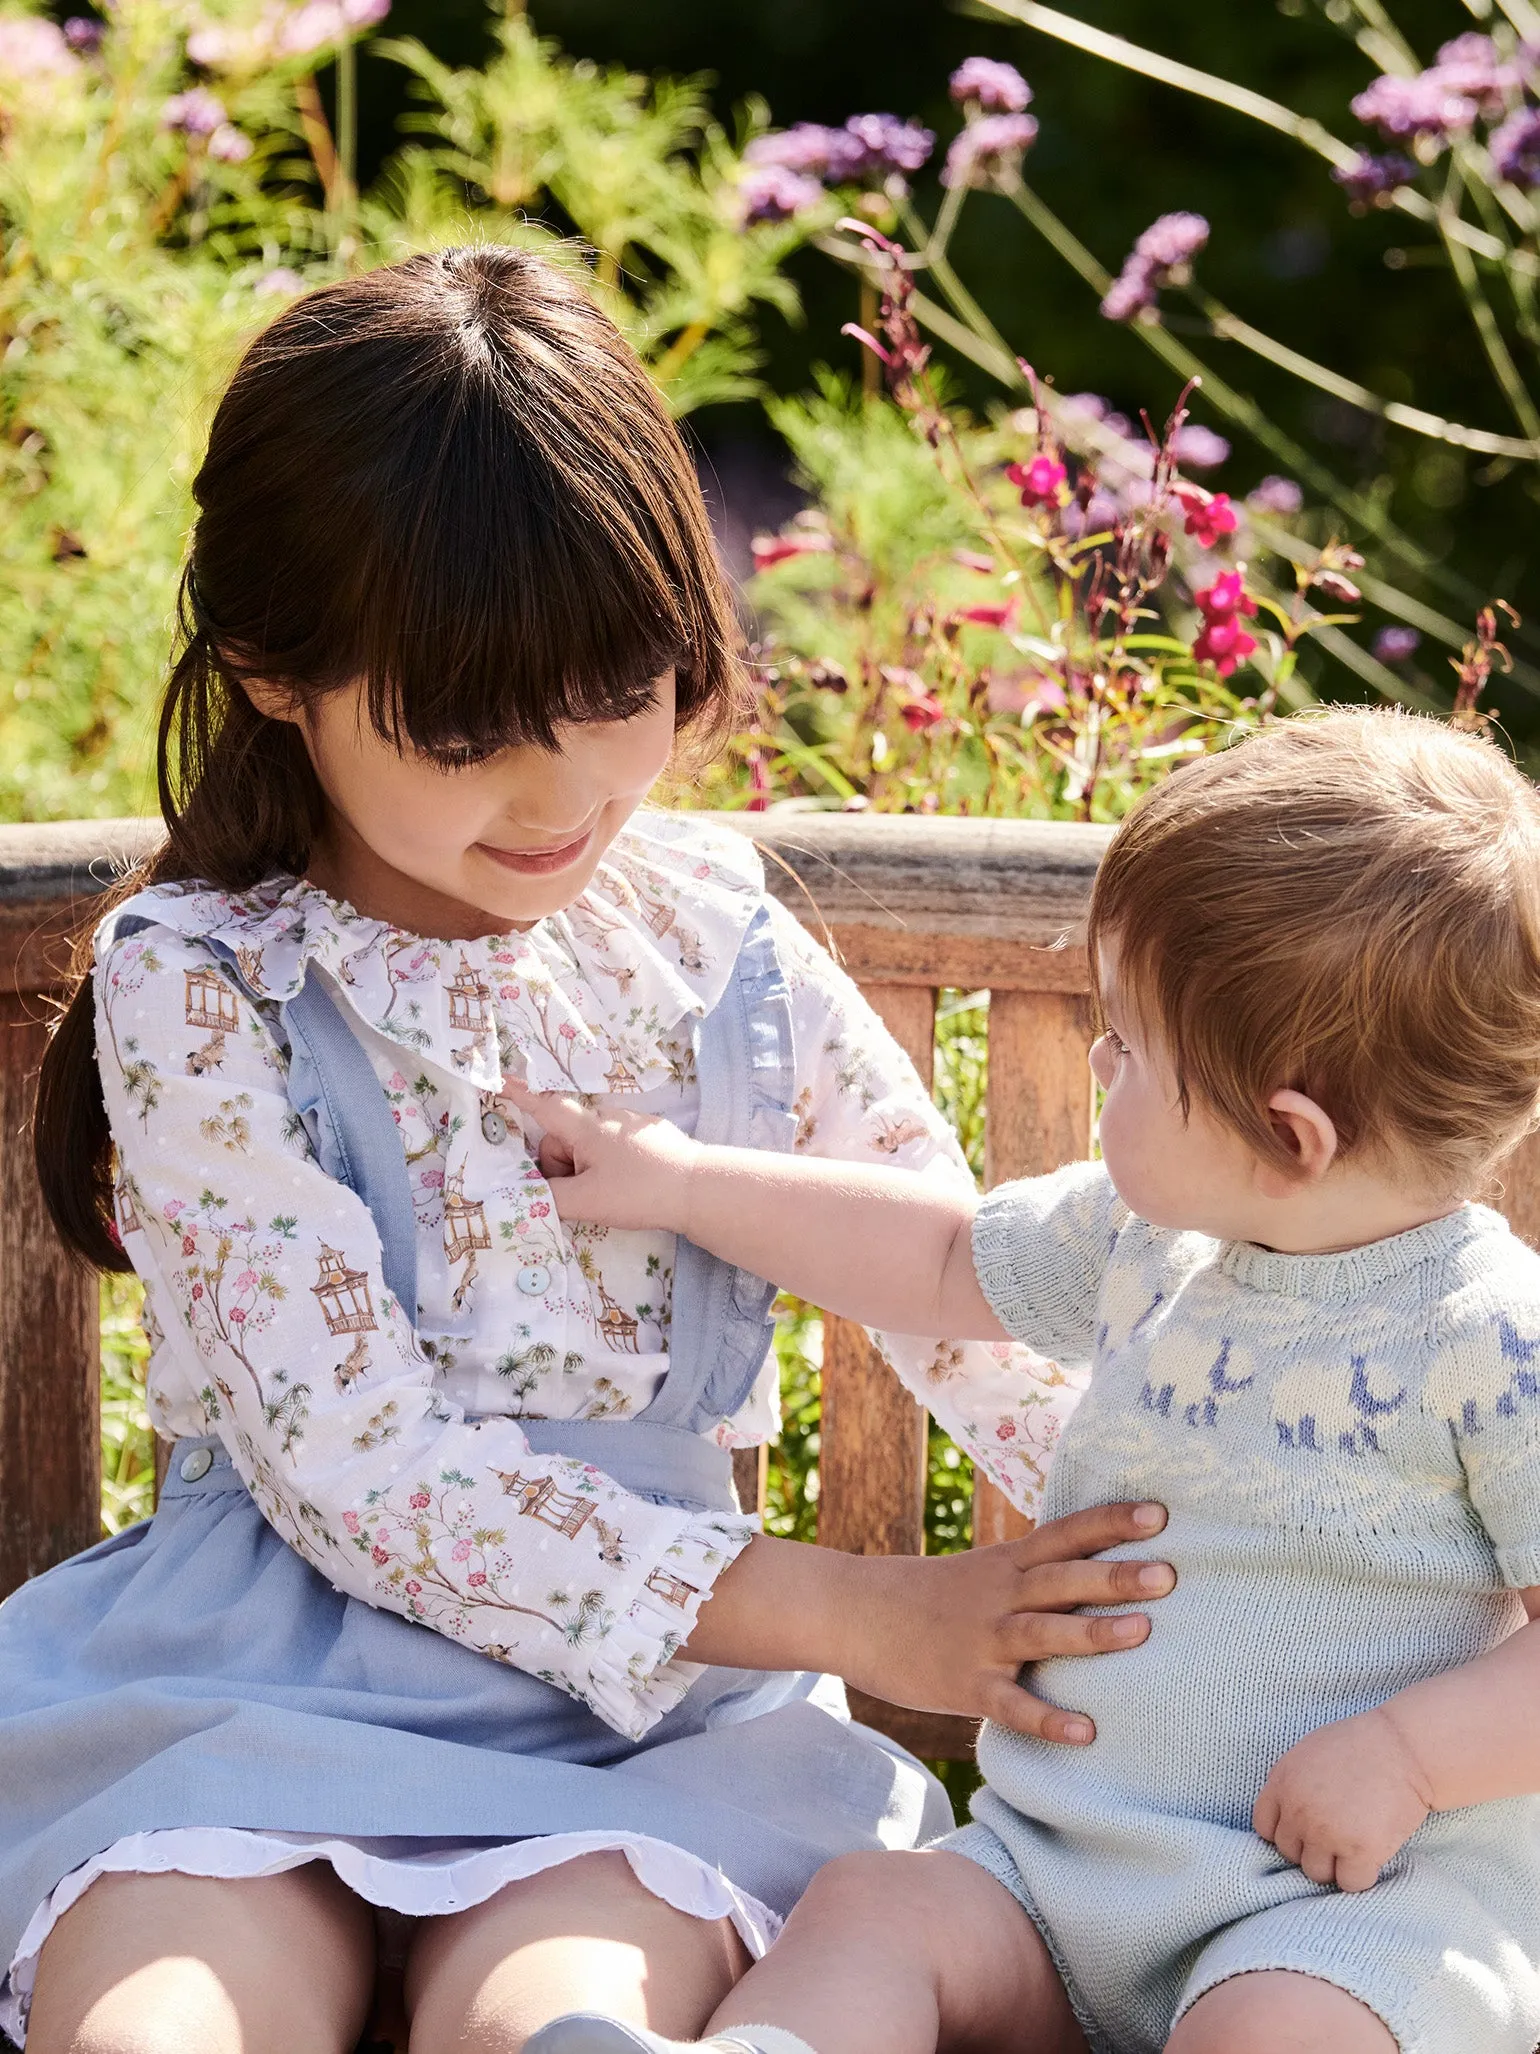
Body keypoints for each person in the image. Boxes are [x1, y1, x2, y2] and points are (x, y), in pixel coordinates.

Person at [0, 245, 1175, 2054]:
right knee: (160, 2024)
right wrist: (874, 1614)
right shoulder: (207, 980)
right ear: (270, 668)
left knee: (562, 2021)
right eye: (469, 731)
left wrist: (1245, 1532)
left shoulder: (713, 944)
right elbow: (360, 1470)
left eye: (615, 691)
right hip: (236, 1687)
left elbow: (974, 1292)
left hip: (642, 1739)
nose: (562, 795)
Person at [512, 708, 1540, 2054]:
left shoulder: (1491, 1333)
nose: (1099, 1064)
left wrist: (1409, 1755)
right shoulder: (1147, 1238)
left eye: (1130, 1048)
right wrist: (687, 1183)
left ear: (1288, 1134)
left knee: (1278, 2035)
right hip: (1061, 1878)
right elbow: (935, 1252)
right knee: (874, 1909)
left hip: (1348, 1916)